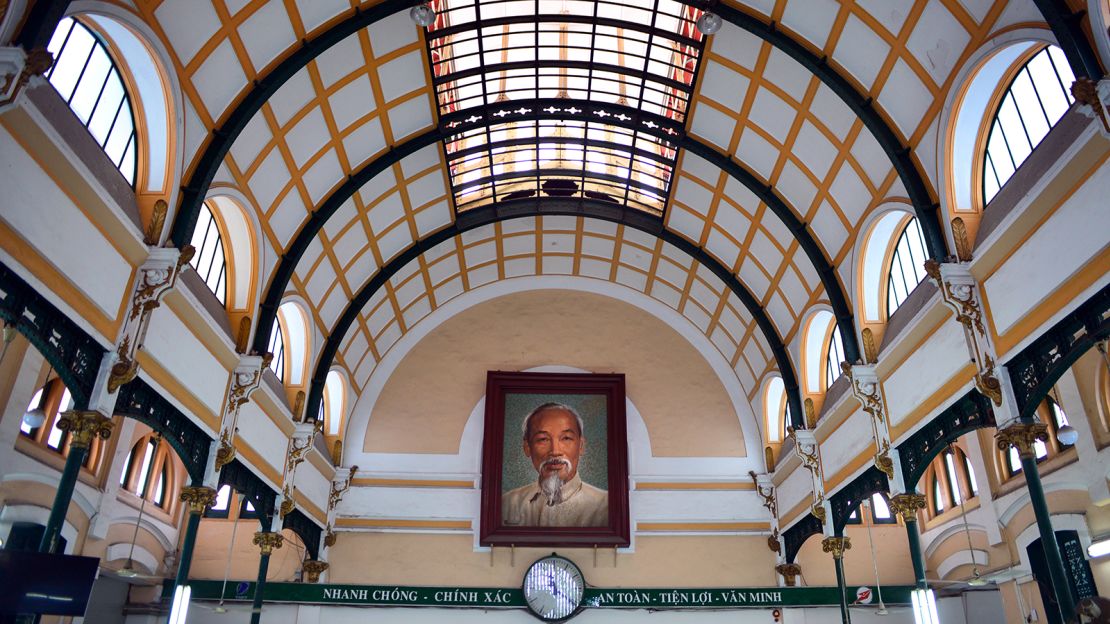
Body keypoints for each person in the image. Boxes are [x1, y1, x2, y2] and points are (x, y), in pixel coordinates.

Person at [502, 402, 608, 527]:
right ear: (527, 447)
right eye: (543, 439)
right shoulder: (507, 504)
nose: (555, 451)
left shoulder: (606, 506)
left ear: (581, 446)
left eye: (566, 438)